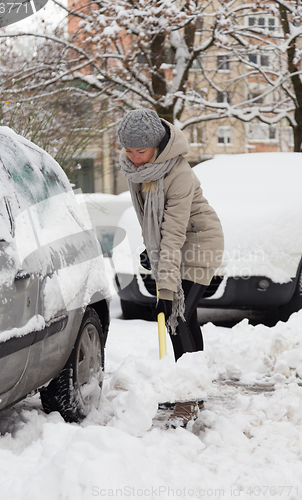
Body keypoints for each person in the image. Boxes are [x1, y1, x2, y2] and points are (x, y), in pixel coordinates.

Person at [118, 108, 224, 427]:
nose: (135, 158)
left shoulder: (178, 173)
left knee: (176, 317)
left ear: (158, 145)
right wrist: (156, 259)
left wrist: (165, 289)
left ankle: (189, 399)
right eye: (129, 150)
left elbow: (174, 232)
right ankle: (192, 388)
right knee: (184, 320)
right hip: (173, 244)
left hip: (200, 242)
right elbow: (147, 220)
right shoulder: (136, 170)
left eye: (141, 151)